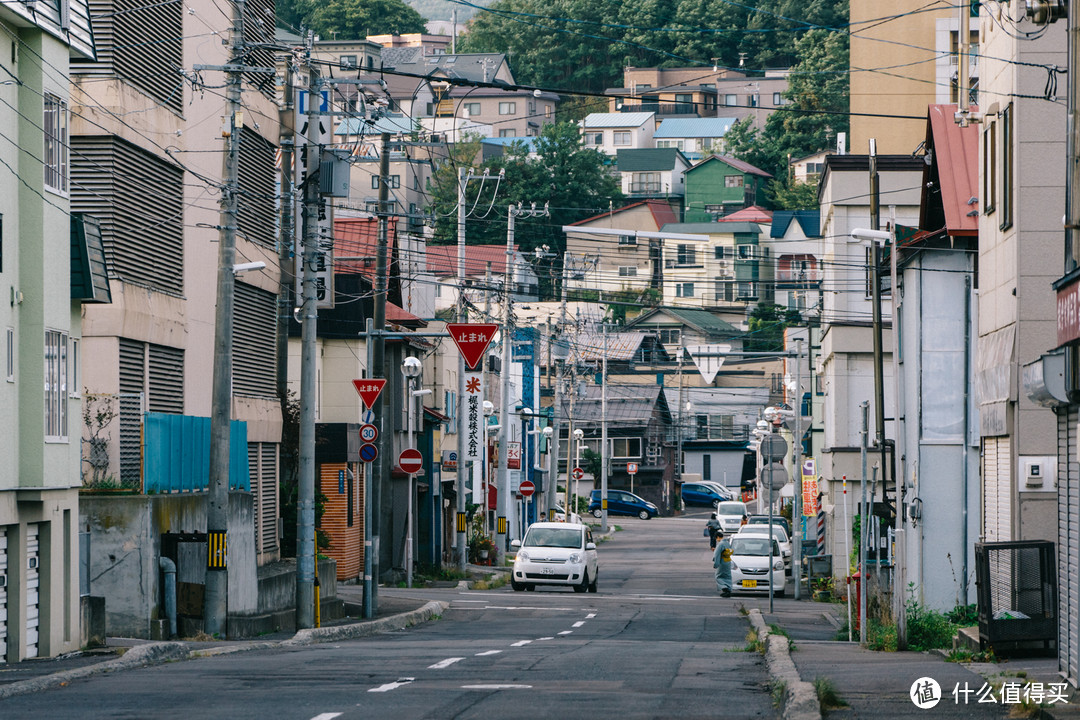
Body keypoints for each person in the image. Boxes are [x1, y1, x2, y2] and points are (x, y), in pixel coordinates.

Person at [713, 530, 733, 597]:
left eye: (716, 538)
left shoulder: (720, 544)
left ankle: (725, 589)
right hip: (728, 562)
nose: (717, 540)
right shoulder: (727, 543)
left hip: (722, 562)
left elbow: (717, 555)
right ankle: (729, 589)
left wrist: (716, 564)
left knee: (718, 576)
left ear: (718, 537)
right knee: (727, 576)